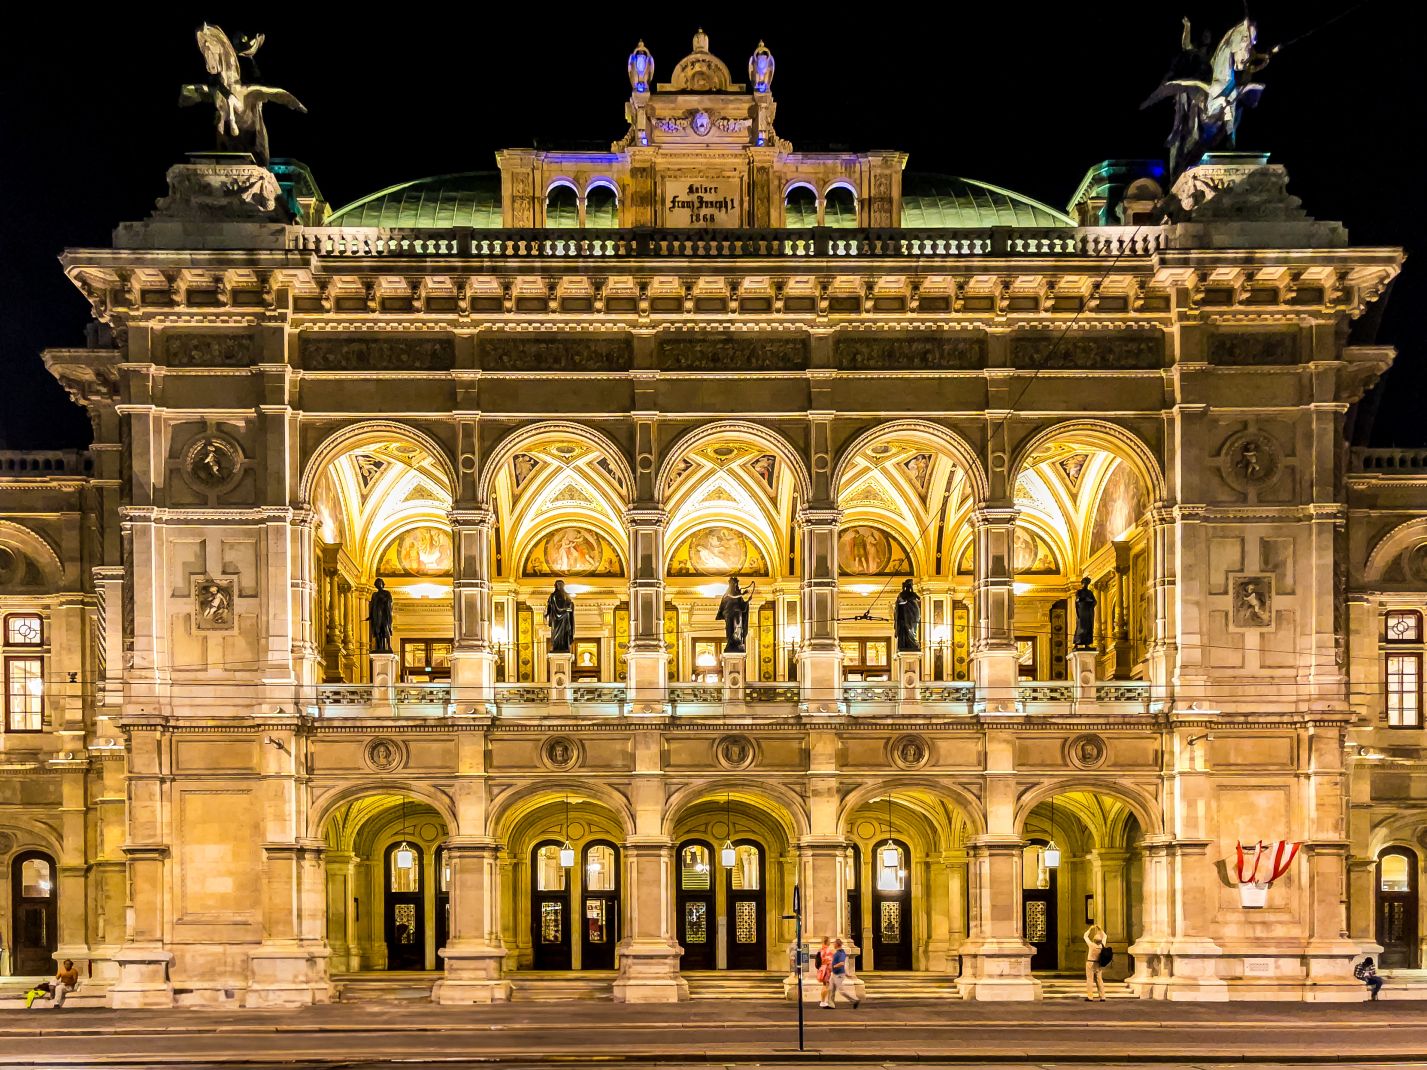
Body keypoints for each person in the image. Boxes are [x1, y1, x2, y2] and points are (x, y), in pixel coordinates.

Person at [827, 938, 859, 1009]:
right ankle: (831, 1004)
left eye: (834, 944)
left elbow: (842, 963)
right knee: (831, 989)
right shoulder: (837, 952)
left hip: (839, 974)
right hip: (834, 973)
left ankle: (854, 1000)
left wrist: (834, 966)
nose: (833, 945)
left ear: (837, 944)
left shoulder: (841, 953)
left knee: (841, 990)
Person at [544, 579, 576, 653]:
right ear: (556, 586)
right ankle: (556, 647)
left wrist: (570, 606)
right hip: (556, 618)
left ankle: (564, 646)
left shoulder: (566, 595)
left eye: (561, 585)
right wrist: (547, 613)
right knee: (556, 633)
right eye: (558, 585)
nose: (560, 586)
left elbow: (570, 604)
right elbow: (551, 606)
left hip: (565, 618)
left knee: (566, 631)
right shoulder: (553, 595)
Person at [1083, 924, 1107, 1001]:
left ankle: (1090, 997)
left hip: (1090, 963)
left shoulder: (1091, 945)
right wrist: (1100, 929)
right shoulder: (1102, 945)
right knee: (1099, 980)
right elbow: (1105, 936)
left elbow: (1085, 936)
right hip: (1098, 964)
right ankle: (1102, 996)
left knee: (1090, 979)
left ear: (1093, 940)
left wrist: (1090, 929)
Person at [816, 936, 833, 1008]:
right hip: (826, 969)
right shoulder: (828, 950)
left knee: (825, 985)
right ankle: (823, 1001)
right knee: (826, 985)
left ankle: (824, 1001)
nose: (830, 942)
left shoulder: (820, 950)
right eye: (829, 941)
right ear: (827, 942)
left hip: (822, 969)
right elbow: (830, 961)